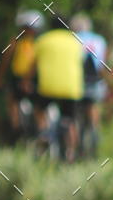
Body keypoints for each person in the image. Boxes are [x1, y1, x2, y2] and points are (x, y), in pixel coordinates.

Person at [32, 12, 84, 161]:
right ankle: (71, 153)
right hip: (71, 88)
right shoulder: (76, 41)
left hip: (47, 87)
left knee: (39, 110)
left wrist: (27, 80)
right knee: (71, 120)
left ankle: (43, 134)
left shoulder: (43, 40)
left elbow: (33, 65)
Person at [0, 10, 43, 142]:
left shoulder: (21, 42)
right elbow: (6, 60)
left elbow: (5, 60)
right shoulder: (32, 43)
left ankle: (34, 131)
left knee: (18, 103)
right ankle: (21, 129)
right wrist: (0, 77)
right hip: (24, 79)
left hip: (28, 79)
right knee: (14, 102)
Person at [70, 14, 107, 153]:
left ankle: (74, 147)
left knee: (74, 114)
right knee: (93, 107)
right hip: (95, 82)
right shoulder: (100, 40)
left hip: (76, 83)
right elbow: (102, 65)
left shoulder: (72, 39)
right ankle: (95, 132)